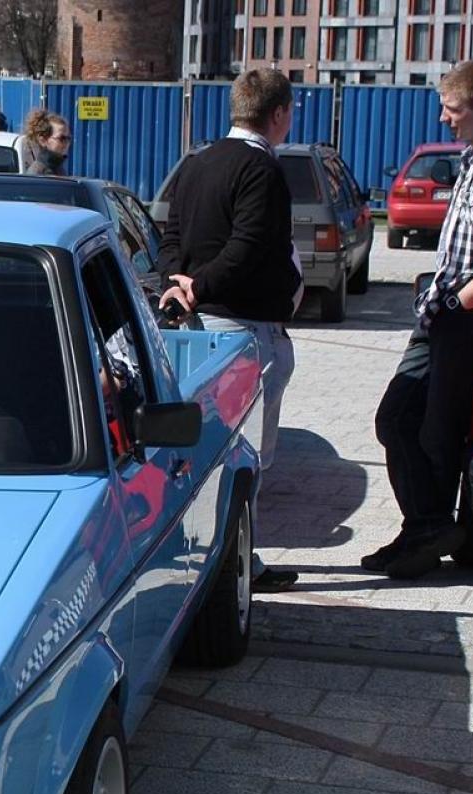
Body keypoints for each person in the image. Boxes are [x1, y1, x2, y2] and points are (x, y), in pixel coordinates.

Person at [368, 61, 473, 579]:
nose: (445, 118)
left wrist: (457, 303)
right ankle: (426, 528)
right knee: (404, 420)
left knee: (429, 431)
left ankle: (428, 531)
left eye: (453, 108)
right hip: (448, 316)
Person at [156, 69, 302, 593]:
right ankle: (239, 565)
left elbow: (169, 235)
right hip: (243, 328)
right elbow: (250, 245)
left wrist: (178, 282)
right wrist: (198, 286)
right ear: (278, 113)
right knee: (248, 453)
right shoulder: (262, 169)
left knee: (207, 451)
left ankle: (215, 555)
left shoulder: (197, 162)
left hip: (198, 326)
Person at [20, 109, 71, 176]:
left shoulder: (59, 169)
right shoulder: (37, 174)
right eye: (62, 138)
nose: (66, 143)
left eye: (68, 138)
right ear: (43, 141)